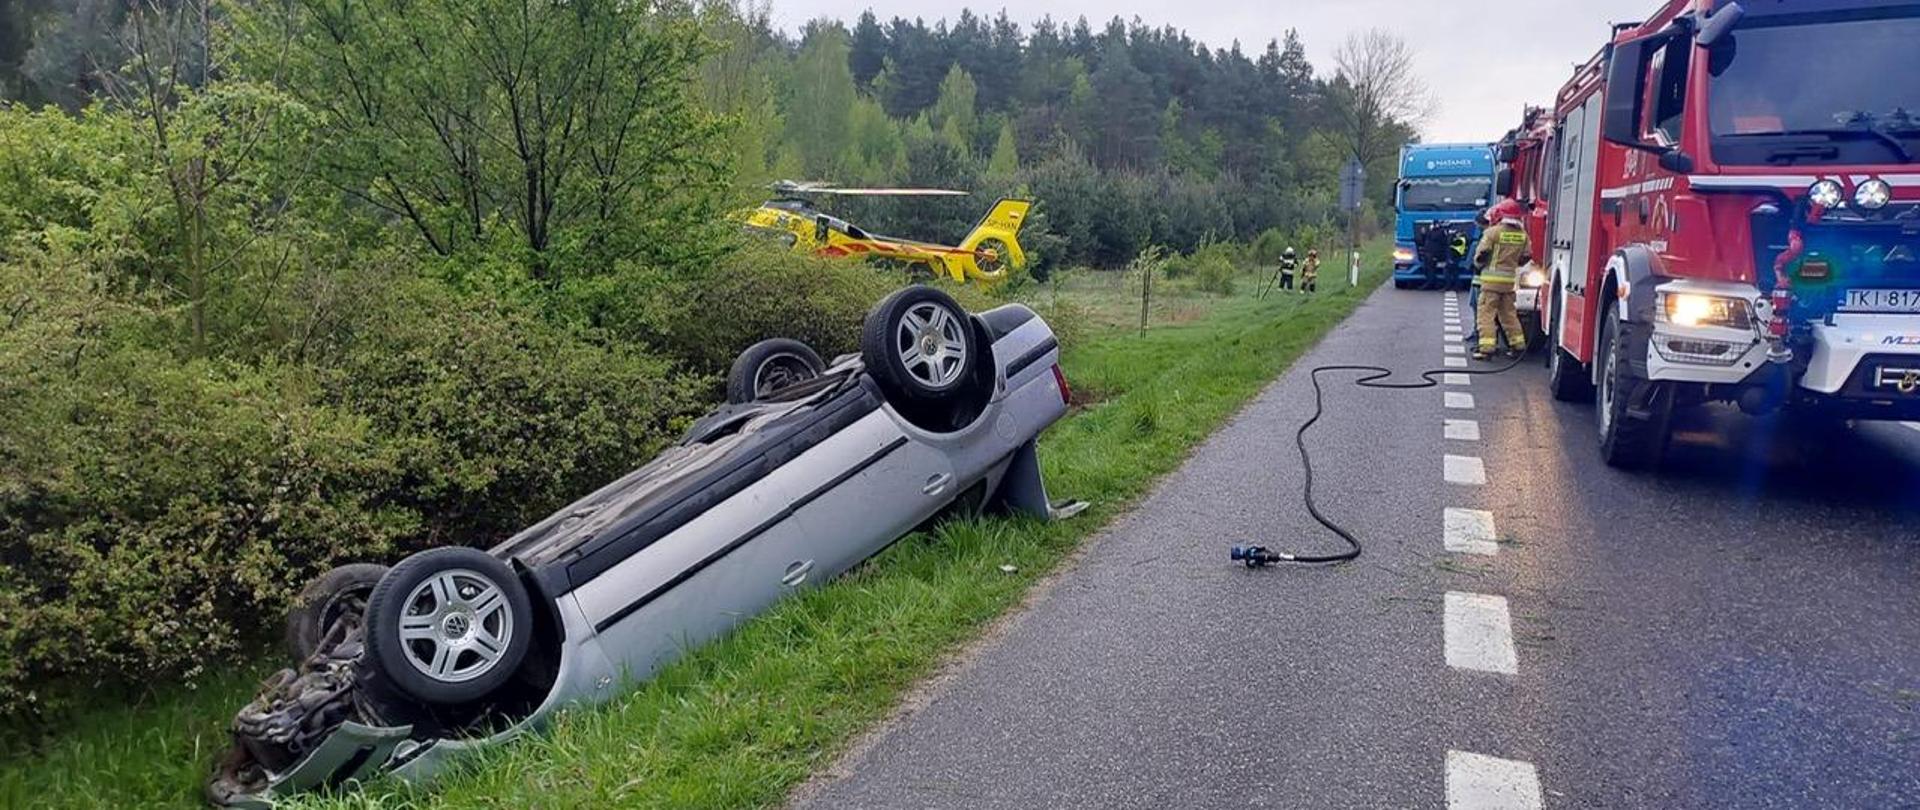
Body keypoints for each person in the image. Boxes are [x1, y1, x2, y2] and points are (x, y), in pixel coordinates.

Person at [1471, 199, 1530, 361]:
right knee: (1509, 315)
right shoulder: (1522, 234)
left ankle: (1487, 349)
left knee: (1486, 315)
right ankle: (1518, 346)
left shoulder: (1492, 232)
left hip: (1490, 283)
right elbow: (1526, 256)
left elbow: (1481, 255)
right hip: (1509, 283)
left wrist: (1477, 265)